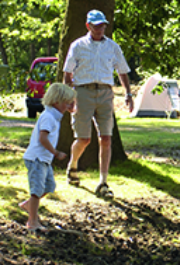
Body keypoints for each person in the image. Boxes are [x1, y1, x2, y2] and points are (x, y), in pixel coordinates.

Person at [62, 9, 134, 198]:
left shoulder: (112, 47)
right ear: (88, 26)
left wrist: (128, 93)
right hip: (83, 92)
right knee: (84, 139)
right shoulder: (77, 46)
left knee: (106, 138)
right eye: (96, 26)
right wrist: (68, 97)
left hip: (105, 93)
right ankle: (73, 166)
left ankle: (103, 182)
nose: (100, 29)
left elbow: (122, 71)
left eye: (102, 25)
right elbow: (68, 73)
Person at [19, 83, 76, 232]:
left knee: (49, 186)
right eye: (66, 102)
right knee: (36, 190)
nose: (68, 105)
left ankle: (28, 205)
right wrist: (56, 153)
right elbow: (43, 138)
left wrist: (70, 107)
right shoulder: (48, 117)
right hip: (37, 158)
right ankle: (32, 221)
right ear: (56, 102)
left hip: (44, 160)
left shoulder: (55, 116)